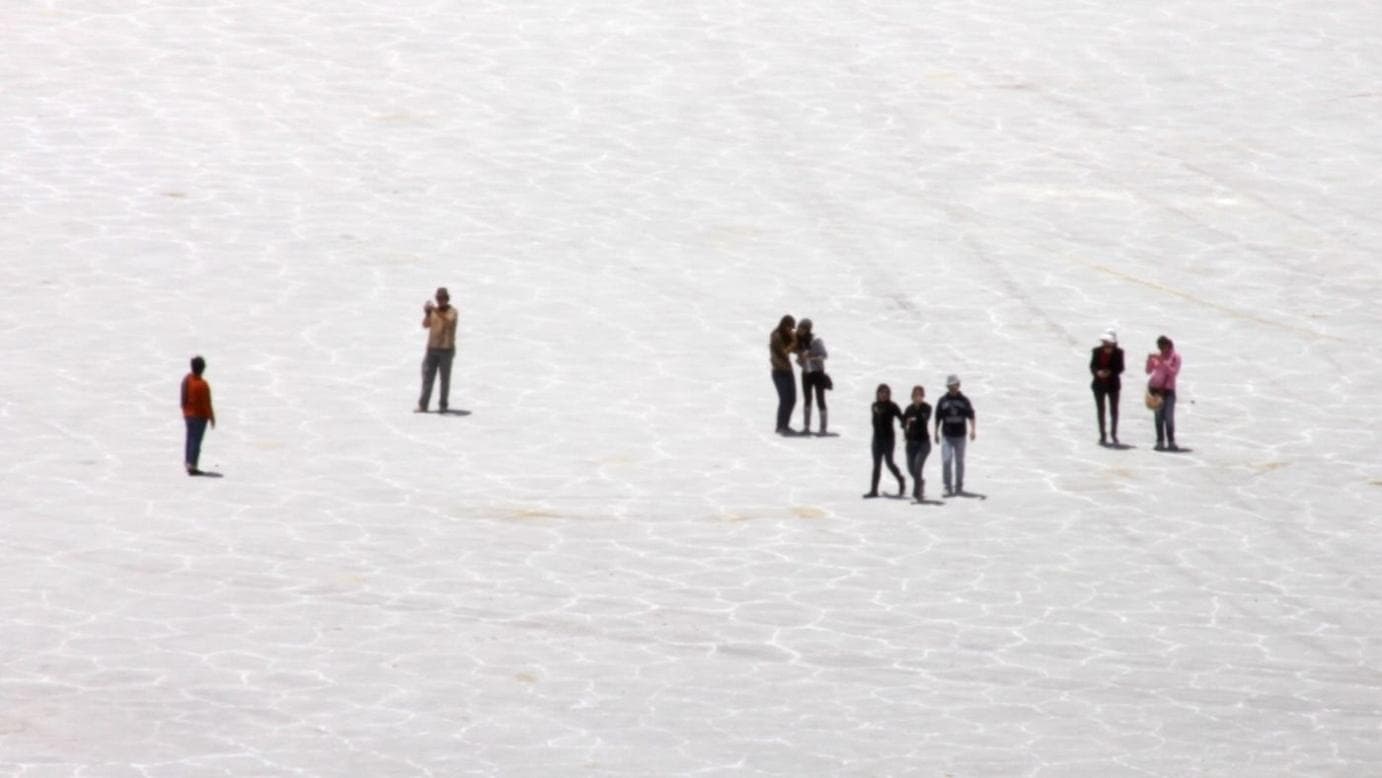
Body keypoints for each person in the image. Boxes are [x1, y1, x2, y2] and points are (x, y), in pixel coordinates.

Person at [934, 374, 976, 496]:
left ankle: (959, 485)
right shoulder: (943, 401)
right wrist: (935, 432)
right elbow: (938, 417)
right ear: (948, 387)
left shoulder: (964, 400)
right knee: (946, 460)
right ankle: (947, 486)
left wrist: (973, 430)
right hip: (947, 435)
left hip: (960, 436)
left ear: (959, 385)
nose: (953, 388)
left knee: (959, 461)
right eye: (951, 386)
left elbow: (971, 415)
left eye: (955, 386)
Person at [418, 287, 459, 413]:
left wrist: (434, 309)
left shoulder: (452, 311)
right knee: (427, 377)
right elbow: (425, 325)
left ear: (447, 299)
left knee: (444, 379)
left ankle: (443, 405)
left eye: (442, 298)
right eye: (438, 298)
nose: (440, 301)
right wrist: (427, 313)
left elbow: (448, 321)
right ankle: (423, 405)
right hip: (432, 349)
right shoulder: (434, 312)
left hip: (446, 350)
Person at [864, 384, 906, 498]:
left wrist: (905, 424)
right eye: (881, 392)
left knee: (889, 463)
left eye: (886, 393)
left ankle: (901, 480)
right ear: (877, 393)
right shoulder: (874, 405)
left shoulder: (892, 406)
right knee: (876, 465)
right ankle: (873, 490)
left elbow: (901, 419)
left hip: (888, 439)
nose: (883, 394)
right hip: (877, 439)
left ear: (889, 394)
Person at [180, 356, 216, 476]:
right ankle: (193, 466)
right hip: (199, 417)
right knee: (196, 441)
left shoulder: (188, 379)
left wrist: (184, 409)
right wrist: (211, 417)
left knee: (190, 439)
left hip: (188, 415)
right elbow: (207, 403)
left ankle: (188, 462)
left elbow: (183, 394)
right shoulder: (203, 385)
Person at [1146, 335, 1182, 451]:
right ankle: (1160, 441)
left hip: (1168, 389)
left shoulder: (1175, 357)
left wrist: (1163, 361)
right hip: (1155, 389)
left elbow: (1173, 373)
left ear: (1168, 345)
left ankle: (1171, 441)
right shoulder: (1158, 356)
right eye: (1159, 346)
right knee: (1158, 416)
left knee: (1169, 417)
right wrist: (1149, 360)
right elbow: (1148, 371)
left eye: (1163, 346)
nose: (1161, 349)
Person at [1090, 329, 1125, 446]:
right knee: (1101, 410)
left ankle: (1114, 434)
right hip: (1099, 385)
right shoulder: (1096, 351)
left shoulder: (1119, 352)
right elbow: (1092, 365)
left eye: (1108, 342)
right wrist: (1098, 373)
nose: (1105, 344)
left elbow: (1120, 368)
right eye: (1104, 342)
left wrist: (1110, 372)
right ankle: (1102, 434)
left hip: (1113, 385)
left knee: (1113, 410)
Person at [795, 318, 829, 435]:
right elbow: (799, 358)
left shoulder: (816, 340)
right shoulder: (799, 341)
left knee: (820, 399)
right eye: (799, 327)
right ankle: (806, 427)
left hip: (818, 372)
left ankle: (823, 428)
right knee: (807, 399)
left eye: (801, 328)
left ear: (807, 329)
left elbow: (824, 355)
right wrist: (800, 360)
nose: (799, 330)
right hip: (806, 373)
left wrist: (810, 357)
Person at [769, 314, 798, 434]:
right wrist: (794, 341)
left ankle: (785, 425)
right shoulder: (776, 336)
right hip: (779, 372)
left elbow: (794, 350)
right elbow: (784, 353)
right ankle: (780, 426)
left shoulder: (785, 335)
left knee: (792, 399)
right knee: (785, 399)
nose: (791, 330)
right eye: (790, 328)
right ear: (784, 325)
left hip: (787, 370)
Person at [902, 385, 933, 501]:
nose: (918, 397)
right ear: (912, 396)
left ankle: (917, 493)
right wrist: (905, 424)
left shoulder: (927, 407)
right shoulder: (909, 409)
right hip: (911, 443)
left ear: (923, 396)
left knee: (917, 467)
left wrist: (913, 419)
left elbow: (924, 418)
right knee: (910, 468)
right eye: (916, 394)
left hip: (923, 443)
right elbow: (903, 422)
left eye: (920, 395)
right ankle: (920, 482)